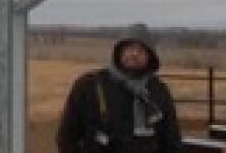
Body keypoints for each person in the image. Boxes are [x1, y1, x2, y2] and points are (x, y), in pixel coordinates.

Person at [57, 23, 182, 153]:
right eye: (129, 48)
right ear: (119, 51)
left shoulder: (158, 91)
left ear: (150, 56)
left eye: (141, 50)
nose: (134, 54)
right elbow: (66, 139)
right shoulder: (89, 85)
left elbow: (171, 140)